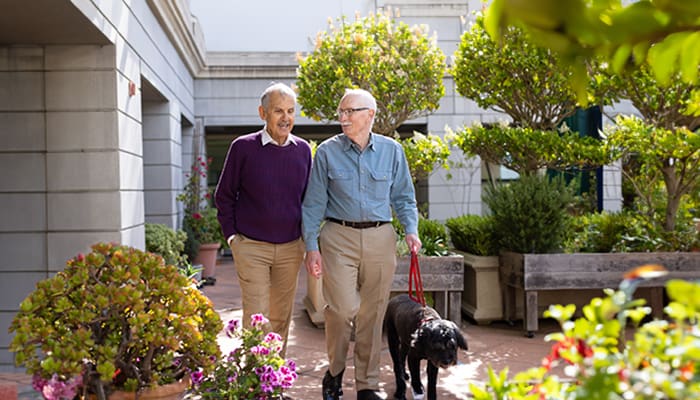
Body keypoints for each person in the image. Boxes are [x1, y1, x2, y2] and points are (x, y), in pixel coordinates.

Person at [302, 88, 422, 400]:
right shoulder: (327, 152)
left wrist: (411, 230)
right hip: (338, 237)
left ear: (370, 114)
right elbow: (313, 204)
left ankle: (368, 385)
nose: (343, 118)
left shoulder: (392, 151)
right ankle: (335, 372)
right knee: (342, 309)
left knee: (373, 314)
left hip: (380, 237)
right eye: (340, 112)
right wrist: (311, 246)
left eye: (350, 111)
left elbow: (404, 197)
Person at [215, 82, 312, 354]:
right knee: (257, 316)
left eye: (291, 111)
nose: (286, 118)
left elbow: (309, 200)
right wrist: (233, 238)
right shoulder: (243, 148)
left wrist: (307, 240)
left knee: (281, 316)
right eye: (278, 111)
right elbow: (224, 195)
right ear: (263, 113)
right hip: (252, 246)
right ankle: (257, 383)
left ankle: (274, 382)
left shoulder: (303, 150)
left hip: (291, 246)